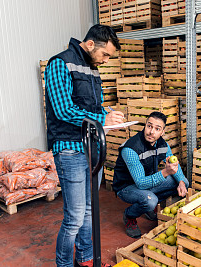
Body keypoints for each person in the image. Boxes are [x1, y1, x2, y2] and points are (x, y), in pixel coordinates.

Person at [44, 24, 124, 267]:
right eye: (105, 54)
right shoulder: (60, 63)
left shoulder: (92, 69)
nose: (106, 60)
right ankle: (64, 264)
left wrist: (108, 114)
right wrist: (102, 119)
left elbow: (93, 108)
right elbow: (63, 109)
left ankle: (85, 259)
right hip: (70, 149)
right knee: (75, 216)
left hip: (92, 147)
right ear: (90, 44)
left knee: (90, 211)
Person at [112, 112, 189, 238]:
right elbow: (141, 183)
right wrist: (165, 172)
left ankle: (148, 206)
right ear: (145, 126)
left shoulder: (163, 145)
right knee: (150, 200)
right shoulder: (131, 149)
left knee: (183, 182)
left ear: (162, 132)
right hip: (127, 187)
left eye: (157, 129)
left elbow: (174, 166)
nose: (151, 132)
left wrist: (180, 181)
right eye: (149, 126)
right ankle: (129, 215)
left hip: (147, 183)